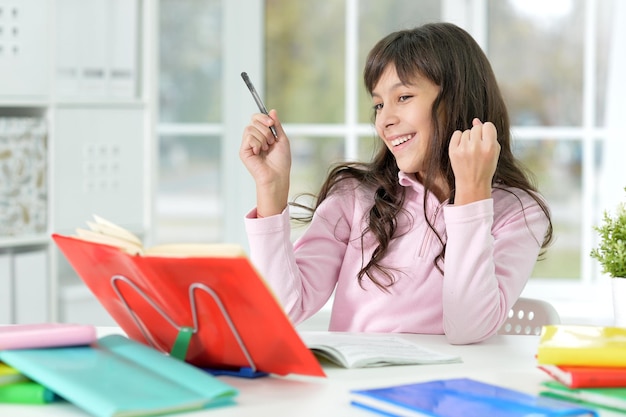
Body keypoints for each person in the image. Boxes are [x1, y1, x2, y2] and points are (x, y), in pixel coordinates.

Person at [239, 22, 553, 345]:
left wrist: (472, 195)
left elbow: (468, 328)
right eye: (378, 104)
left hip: (447, 387)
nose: (384, 120)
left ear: (457, 100)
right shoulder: (354, 196)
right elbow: (282, 308)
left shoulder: (518, 212)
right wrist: (271, 189)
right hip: (353, 389)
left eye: (403, 97)